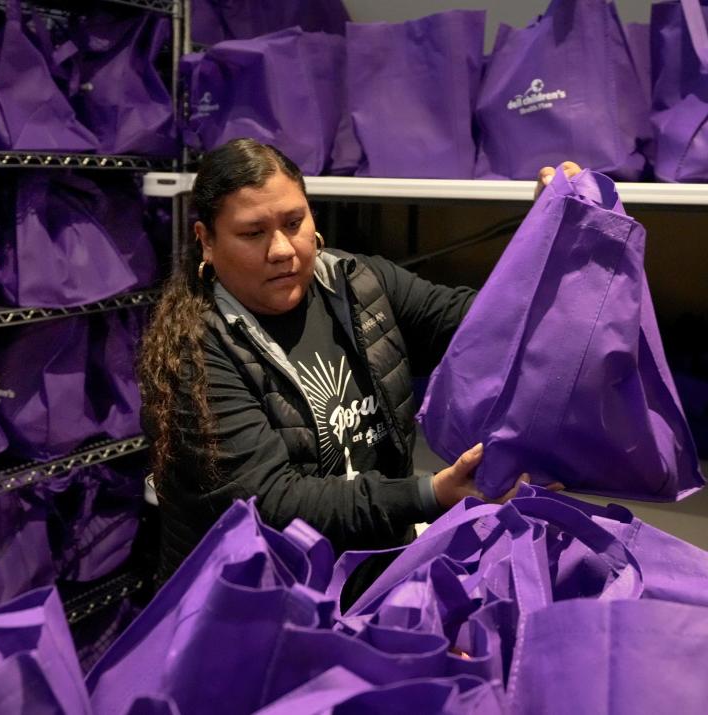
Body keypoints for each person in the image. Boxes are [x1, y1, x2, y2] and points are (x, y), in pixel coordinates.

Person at [139, 138, 575, 583]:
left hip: (372, 582)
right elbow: (272, 502)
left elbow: (487, 325)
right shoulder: (194, 351)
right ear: (206, 241)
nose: (282, 250)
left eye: (294, 222)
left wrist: (548, 236)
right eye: (253, 233)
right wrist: (430, 493)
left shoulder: (358, 286)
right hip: (257, 604)